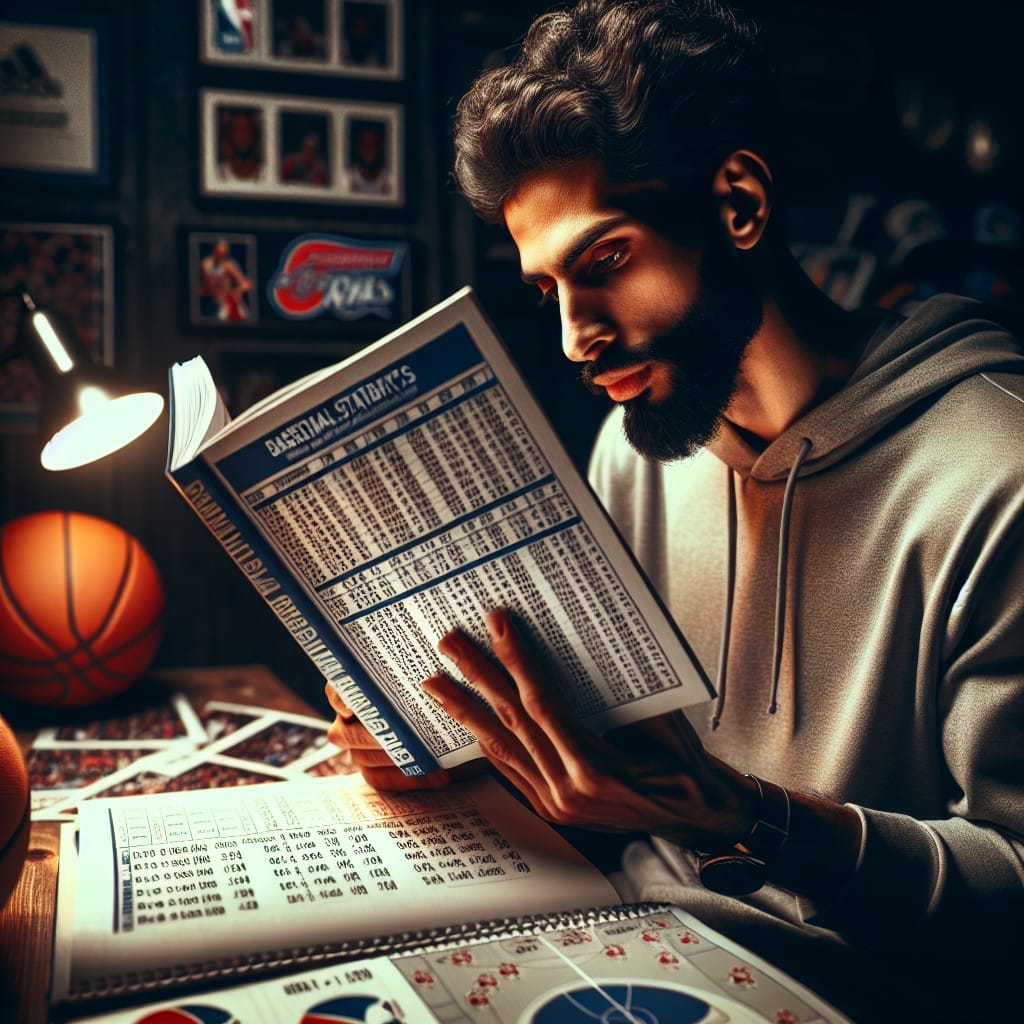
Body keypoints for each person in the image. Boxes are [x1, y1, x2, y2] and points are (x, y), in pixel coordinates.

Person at [325, 1, 1024, 1018]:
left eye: (603, 262)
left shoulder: (994, 473)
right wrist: (449, 745)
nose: (574, 338)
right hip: (616, 959)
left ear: (738, 205)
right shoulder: (635, 450)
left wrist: (746, 817)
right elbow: (615, 793)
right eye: (549, 288)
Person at [198, 239, 252, 321]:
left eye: (224, 253)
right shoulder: (205, 264)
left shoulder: (229, 265)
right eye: (219, 252)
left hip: (228, 303)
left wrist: (236, 291)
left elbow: (246, 285)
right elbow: (205, 287)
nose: (221, 255)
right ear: (214, 250)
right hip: (212, 303)